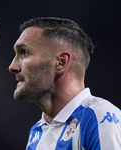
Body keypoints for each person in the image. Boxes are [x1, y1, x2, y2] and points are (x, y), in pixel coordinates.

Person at [8, 17, 121, 150]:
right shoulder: (36, 133)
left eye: (24, 53)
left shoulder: (100, 119)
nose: (12, 66)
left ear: (61, 62)